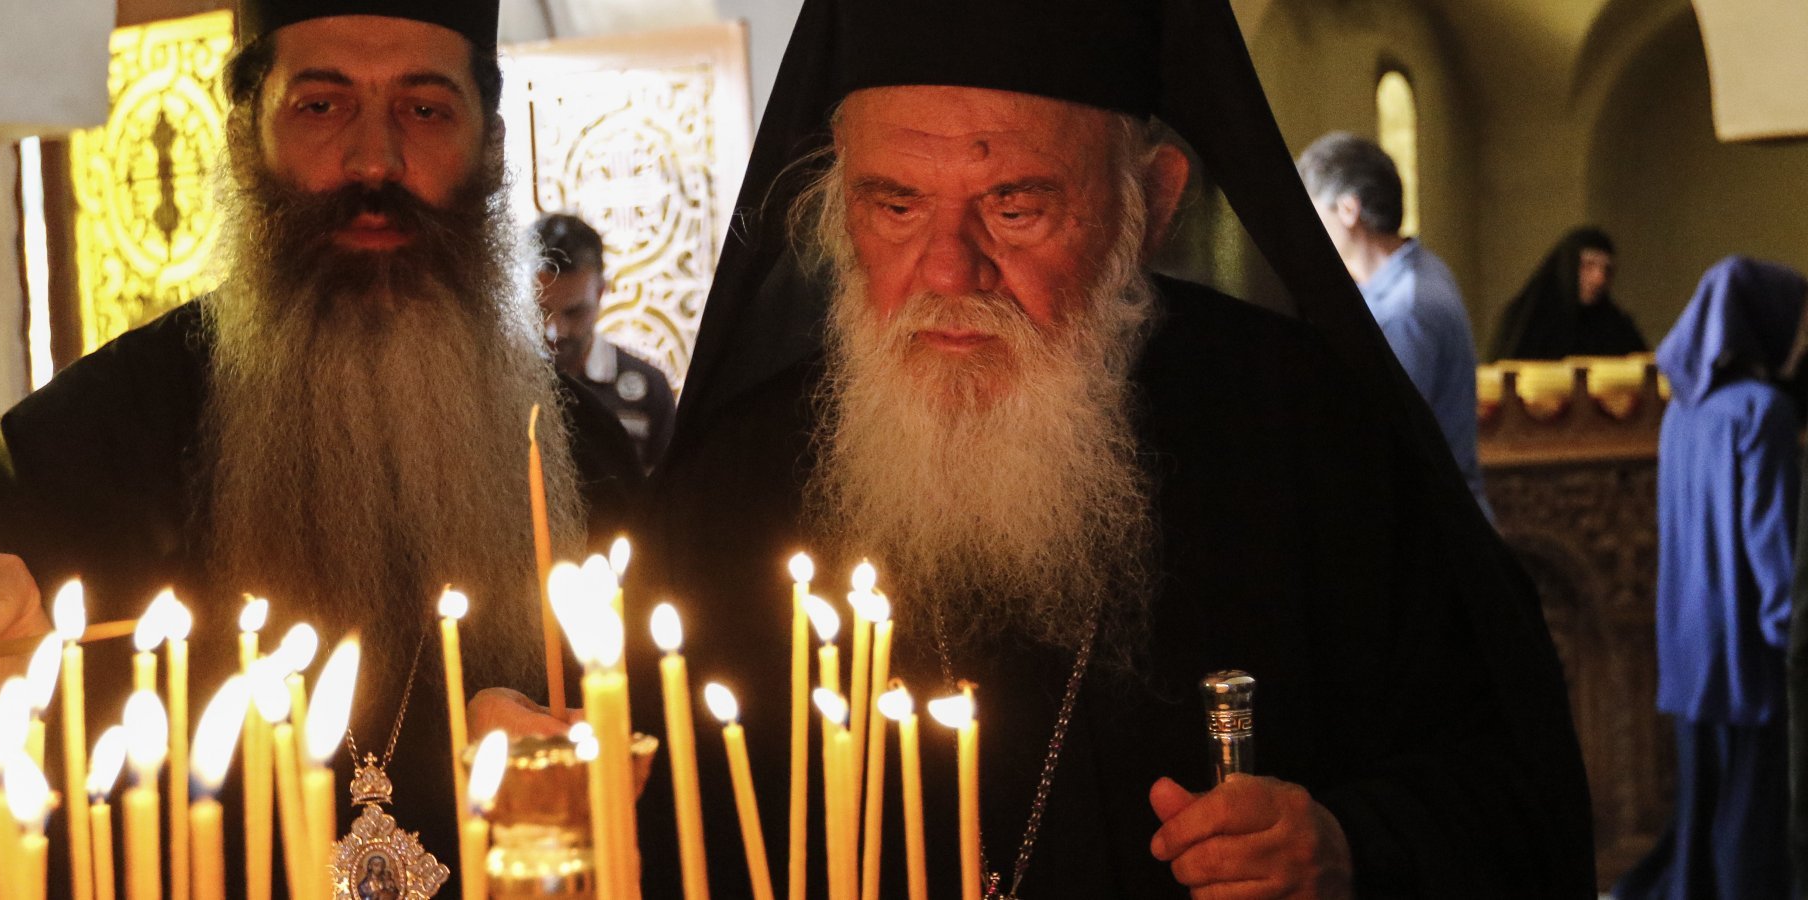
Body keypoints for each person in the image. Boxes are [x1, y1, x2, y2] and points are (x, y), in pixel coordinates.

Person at [624, 0, 1594, 897]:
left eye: (1014, 206)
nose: (950, 270)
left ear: (1153, 202)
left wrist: (1347, 845)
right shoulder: (730, 491)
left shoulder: (1311, 434)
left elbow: (1511, 789)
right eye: (897, 205)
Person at [0, 0, 640, 894]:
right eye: (321, 105)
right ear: (245, 137)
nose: (374, 159)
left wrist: (571, 818)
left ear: (491, 146)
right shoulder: (72, 453)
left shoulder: (586, 462)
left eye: (424, 108)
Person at [1614, 257, 1803, 900]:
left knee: (1701, 817)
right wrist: (1791, 640)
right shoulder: (1764, 412)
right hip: (1747, 650)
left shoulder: (1684, 412)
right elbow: (1771, 544)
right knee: (1751, 826)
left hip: (1689, 644)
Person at [1298, 132, 1490, 518]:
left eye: (1314, 210)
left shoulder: (1406, 308)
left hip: (1428, 522)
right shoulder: (1420, 268)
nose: (1308, 229)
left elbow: (1381, 439)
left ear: (1348, 210)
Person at [531, 212, 677, 470]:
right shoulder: (503, 383)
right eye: (541, 310)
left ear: (600, 293)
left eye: (574, 312)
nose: (555, 331)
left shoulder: (649, 391)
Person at [1489, 226, 1649, 360]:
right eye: (1588, 266)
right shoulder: (1526, 321)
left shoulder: (1617, 328)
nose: (1599, 279)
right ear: (1568, 266)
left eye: (1607, 269)